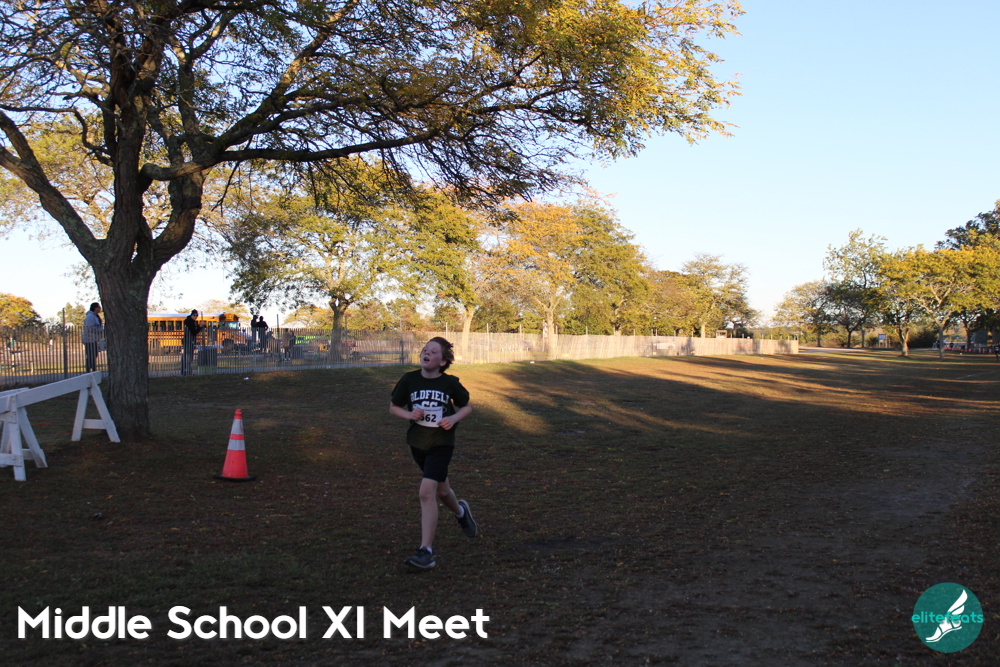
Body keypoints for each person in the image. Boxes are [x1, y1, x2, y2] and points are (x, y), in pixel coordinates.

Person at [389, 336, 477, 570]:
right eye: (425, 350)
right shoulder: (409, 380)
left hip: (441, 443)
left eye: (433, 351)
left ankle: (426, 552)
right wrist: (409, 415)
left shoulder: (449, 383)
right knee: (442, 490)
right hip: (418, 443)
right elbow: (394, 407)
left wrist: (453, 418)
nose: (427, 353)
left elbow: (466, 407)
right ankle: (461, 512)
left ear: (443, 361)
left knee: (426, 492)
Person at [82, 302, 104, 373]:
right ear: (95, 308)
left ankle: (92, 369)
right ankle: (89, 370)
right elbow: (90, 327)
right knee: (91, 355)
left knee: (94, 355)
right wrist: (100, 330)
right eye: (98, 307)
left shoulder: (95, 316)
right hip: (89, 340)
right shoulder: (90, 317)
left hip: (94, 339)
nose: (100, 309)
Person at [182, 309, 203, 376]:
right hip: (189, 341)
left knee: (186, 357)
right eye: (194, 315)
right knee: (189, 358)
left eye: (197, 315)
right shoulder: (190, 322)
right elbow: (194, 332)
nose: (195, 317)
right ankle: (188, 372)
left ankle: (185, 371)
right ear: (191, 315)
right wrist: (200, 326)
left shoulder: (188, 322)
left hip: (187, 341)